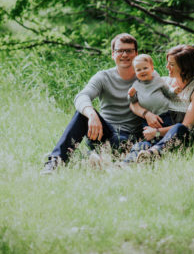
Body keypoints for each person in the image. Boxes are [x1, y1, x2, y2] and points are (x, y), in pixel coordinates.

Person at [40, 33, 160, 174]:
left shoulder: (148, 76)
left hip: (129, 138)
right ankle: (55, 161)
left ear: (136, 54)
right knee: (82, 113)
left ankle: (95, 160)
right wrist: (91, 114)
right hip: (102, 133)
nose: (124, 55)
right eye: (119, 51)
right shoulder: (103, 77)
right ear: (112, 54)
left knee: (124, 143)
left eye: (129, 51)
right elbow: (82, 96)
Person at [125, 44, 194, 163]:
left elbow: (187, 126)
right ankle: (122, 166)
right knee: (140, 146)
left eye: (172, 64)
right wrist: (147, 114)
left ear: (184, 67)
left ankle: (154, 152)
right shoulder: (163, 82)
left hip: (181, 137)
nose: (167, 66)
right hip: (158, 134)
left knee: (180, 128)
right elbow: (133, 103)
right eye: (168, 62)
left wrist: (157, 133)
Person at [128, 54, 181, 133]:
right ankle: (153, 143)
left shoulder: (157, 80)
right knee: (150, 133)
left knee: (167, 131)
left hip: (164, 113)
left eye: (145, 68)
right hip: (148, 118)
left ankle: (167, 142)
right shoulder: (136, 85)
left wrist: (174, 91)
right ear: (135, 72)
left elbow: (167, 92)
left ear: (152, 68)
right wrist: (131, 95)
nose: (142, 71)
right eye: (138, 70)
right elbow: (133, 101)